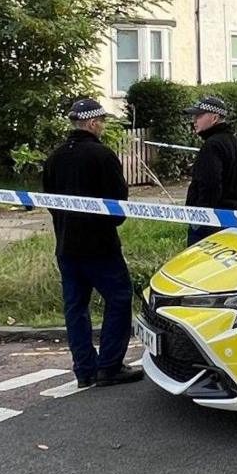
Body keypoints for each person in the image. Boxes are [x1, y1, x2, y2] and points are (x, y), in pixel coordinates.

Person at [41, 96, 142, 388]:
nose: (103, 127)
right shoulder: (102, 155)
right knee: (120, 297)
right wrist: (109, 223)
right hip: (100, 247)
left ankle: (84, 369)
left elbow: (49, 201)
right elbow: (117, 203)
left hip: (66, 246)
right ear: (93, 122)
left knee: (75, 307)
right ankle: (110, 366)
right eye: (102, 122)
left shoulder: (55, 157)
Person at [181, 94, 237, 243]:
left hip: (209, 222)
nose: (194, 121)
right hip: (234, 220)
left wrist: (202, 219)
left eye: (199, 116)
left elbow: (209, 185)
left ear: (214, 118)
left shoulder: (212, 146)